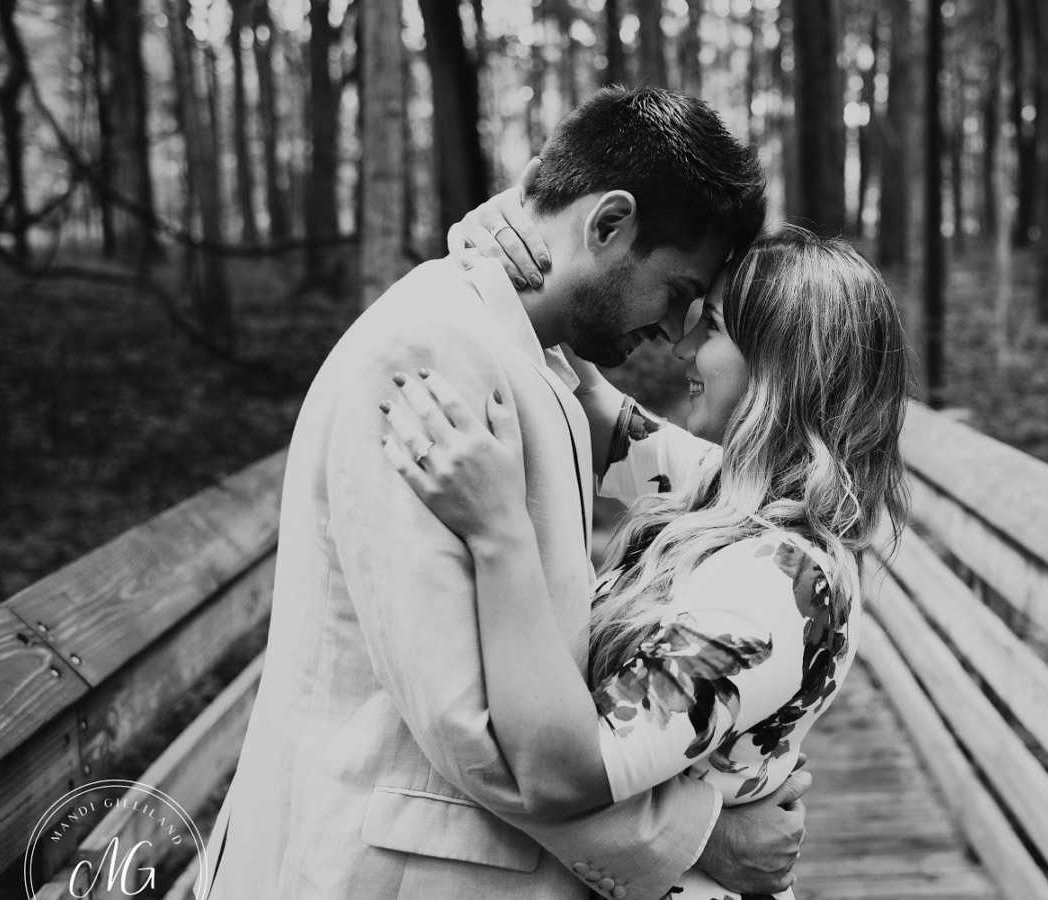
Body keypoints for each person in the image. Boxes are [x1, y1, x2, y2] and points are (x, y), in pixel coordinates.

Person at [200, 87, 808, 900]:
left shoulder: (531, 344)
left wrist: (512, 216)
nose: (674, 331)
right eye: (675, 289)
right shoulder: (432, 355)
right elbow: (475, 728)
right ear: (608, 225)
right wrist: (702, 839)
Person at [377, 217, 911, 899]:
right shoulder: (728, 490)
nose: (681, 345)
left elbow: (562, 775)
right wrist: (518, 233)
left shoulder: (778, 582)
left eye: (711, 328)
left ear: (782, 369)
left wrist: (499, 533)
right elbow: (593, 402)